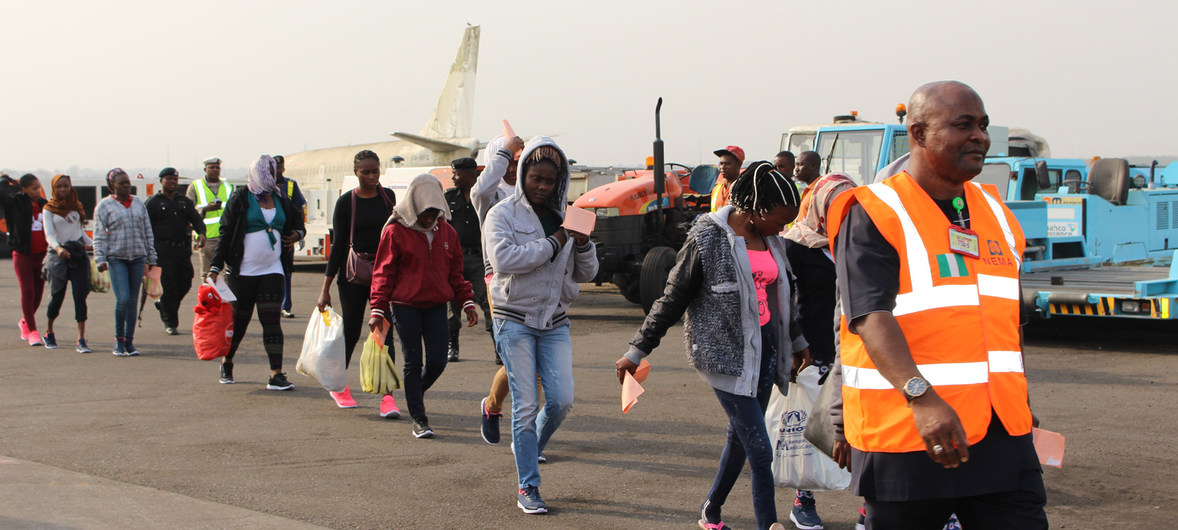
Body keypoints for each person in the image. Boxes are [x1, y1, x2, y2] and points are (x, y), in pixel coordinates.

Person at [827, 81, 1046, 529]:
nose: (979, 136)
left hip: (1001, 432)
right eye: (962, 125)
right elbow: (868, 317)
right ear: (920, 134)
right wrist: (922, 399)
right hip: (911, 433)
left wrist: (1018, 399)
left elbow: (1005, 321)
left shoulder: (997, 213)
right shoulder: (873, 210)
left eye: (983, 125)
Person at [618, 161, 809, 530]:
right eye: (779, 220)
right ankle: (767, 525)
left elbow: (783, 293)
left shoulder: (770, 239)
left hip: (765, 349)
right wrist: (636, 350)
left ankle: (711, 511)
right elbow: (672, 298)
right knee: (760, 449)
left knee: (740, 437)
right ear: (756, 208)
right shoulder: (707, 238)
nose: (783, 229)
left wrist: (797, 341)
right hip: (725, 356)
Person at [484, 137, 598, 515]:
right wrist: (557, 240)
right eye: (535, 177)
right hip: (513, 319)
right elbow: (504, 260)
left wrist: (582, 244)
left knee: (562, 400)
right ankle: (528, 486)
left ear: (560, 180)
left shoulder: (569, 214)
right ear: (522, 175)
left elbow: (589, 272)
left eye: (550, 180)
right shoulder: (502, 214)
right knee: (526, 406)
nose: (542, 186)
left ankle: (526, 446)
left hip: (554, 322)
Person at [368, 173, 476, 438]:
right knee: (413, 361)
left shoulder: (447, 232)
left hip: (437, 305)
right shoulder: (395, 232)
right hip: (405, 306)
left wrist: (467, 302)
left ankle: (415, 391)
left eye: (433, 213)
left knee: (438, 361)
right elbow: (383, 273)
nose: (429, 219)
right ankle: (419, 417)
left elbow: (456, 274)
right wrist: (378, 309)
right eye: (424, 214)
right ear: (414, 207)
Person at [781, 170, 856, 530]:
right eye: (836, 204)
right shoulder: (794, 245)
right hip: (813, 349)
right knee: (809, 433)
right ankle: (803, 501)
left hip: (855, 348)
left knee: (860, 431)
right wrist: (792, 345)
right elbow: (781, 297)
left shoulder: (858, 240)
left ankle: (868, 508)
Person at [208, 155, 305, 390]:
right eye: (268, 172)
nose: (273, 176)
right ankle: (227, 362)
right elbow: (226, 232)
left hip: (273, 270)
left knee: (271, 321)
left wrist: (298, 234)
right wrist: (215, 266)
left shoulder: (280, 198)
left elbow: (298, 222)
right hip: (242, 272)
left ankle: (276, 374)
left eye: (274, 171)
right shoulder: (242, 197)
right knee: (239, 322)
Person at [314, 149, 397, 411]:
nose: (372, 176)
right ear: (355, 173)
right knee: (350, 332)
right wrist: (325, 288)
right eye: (366, 172)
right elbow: (338, 246)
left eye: (375, 170)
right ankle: (339, 386)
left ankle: (387, 397)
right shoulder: (346, 202)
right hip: (352, 275)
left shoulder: (388, 198)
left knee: (385, 332)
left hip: (383, 274)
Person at [471, 134, 526, 446]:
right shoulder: (487, 200)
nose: (512, 167)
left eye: (518, 160)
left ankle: (529, 437)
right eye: (506, 160)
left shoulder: (530, 192)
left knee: (537, 368)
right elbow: (481, 186)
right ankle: (492, 406)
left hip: (537, 283)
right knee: (518, 361)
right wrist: (505, 150)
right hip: (500, 284)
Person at [93, 168, 157, 356]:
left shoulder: (138, 204)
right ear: (112, 185)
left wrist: (151, 256)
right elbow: (98, 234)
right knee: (123, 299)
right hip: (116, 259)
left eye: (128, 182)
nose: (126, 185)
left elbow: (147, 232)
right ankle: (118, 339)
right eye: (122, 183)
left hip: (137, 257)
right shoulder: (104, 206)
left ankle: (129, 341)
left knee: (133, 301)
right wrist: (100, 258)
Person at [145, 167, 206, 335]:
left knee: (185, 282)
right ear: (161, 181)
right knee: (169, 286)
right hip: (162, 251)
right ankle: (171, 322)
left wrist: (201, 234)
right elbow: (145, 228)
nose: (172, 182)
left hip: (182, 249)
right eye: (169, 179)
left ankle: (164, 304)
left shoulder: (183, 201)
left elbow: (197, 220)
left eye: (175, 179)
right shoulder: (154, 203)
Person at [444, 156, 492, 362]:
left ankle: (499, 347)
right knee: (452, 305)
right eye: (453, 173)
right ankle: (452, 346)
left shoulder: (483, 196)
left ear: (472, 175)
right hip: (454, 258)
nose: (454, 178)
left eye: (458, 174)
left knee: (487, 302)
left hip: (479, 258)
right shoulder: (448, 198)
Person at [42, 174, 93, 352]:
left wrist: (94, 244)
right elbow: (48, 234)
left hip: (77, 253)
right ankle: (49, 331)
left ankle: (81, 338)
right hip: (59, 254)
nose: (63, 189)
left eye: (66, 186)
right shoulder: (49, 209)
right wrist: (58, 249)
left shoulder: (76, 206)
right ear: (54, 189)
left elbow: (80, 232)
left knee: (80, 295)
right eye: (59, 186)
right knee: (58, 296)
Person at [1, 173, 49, 346]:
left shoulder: (44, 205)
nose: (38, 191)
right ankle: (33, 330)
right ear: (24, 189)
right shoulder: (15, 203)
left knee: (38, 295)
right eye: (34, 188)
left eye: (39, 187)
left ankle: (24, 322)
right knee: (27, 291)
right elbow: (2, 198)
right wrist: (3, 182)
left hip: (41, 255)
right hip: (22, 254)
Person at [273, 155, 307, 318]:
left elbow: (299, 209)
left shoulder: (291, 185)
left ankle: (285, 306)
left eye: (280, 167)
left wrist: (300, 232)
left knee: (286, 271)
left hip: (287, 235)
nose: (278, 170)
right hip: (270, 235)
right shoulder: (264, 186)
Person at [187, 156, 231, 278]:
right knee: (208, 272)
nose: (215, 170)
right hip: (207, 237)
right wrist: (205, 209)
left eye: (217, 167)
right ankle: (208, 296)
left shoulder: (227, 186)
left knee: (228, 272)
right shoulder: (195, 186)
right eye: (211, 167)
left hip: (225, 235)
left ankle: (226, 297)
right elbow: (188, 210)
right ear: (205, 169)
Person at [710, 145, 745, 212]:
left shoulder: (744, 189)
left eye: (727, 164)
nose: (723, 167)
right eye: (721, 164)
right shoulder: (716, 189)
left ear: (739, 164)